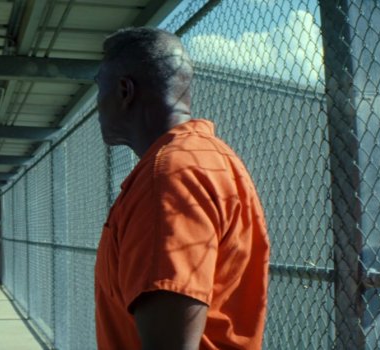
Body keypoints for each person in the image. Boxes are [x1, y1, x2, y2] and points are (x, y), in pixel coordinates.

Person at [93, 27, 270, 349]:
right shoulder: (211, 157)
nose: (97, 105)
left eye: (99, 88)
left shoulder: (167, 177)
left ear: (124, 91)